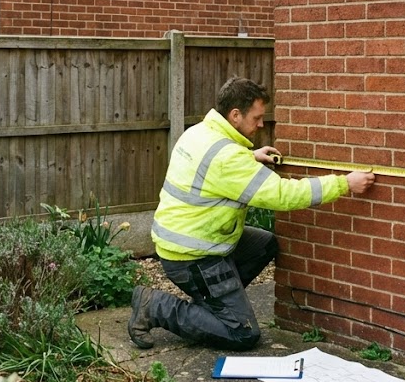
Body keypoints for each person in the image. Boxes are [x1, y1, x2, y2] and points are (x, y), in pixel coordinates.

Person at [128, 77, 375, 351]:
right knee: (242, 334)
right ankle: (156, 307)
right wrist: (344, 184)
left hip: (186, 241)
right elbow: (282, 195)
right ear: (235, 115)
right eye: (257, 118)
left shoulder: (200, 132)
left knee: (264, 244)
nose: (261, 124)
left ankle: (212, 306)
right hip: (193, 257)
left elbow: (215, 165)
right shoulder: (229, 159)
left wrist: (251, 156)